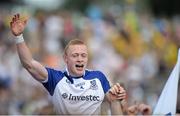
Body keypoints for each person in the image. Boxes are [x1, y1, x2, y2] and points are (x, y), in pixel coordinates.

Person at [10, 14, 126, 115]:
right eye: (75, 55)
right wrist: (19, 37)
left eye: (83, 55)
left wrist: (115, 101)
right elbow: (29, 63)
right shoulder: (56, 78)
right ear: (65, 58)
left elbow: (114, 103)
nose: (80, 59)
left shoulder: (99, 77)